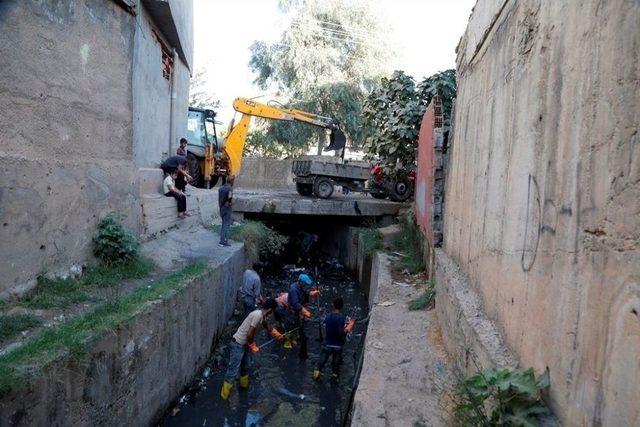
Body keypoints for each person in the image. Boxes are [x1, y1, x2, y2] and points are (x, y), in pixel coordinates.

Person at [220, 298, 284, 400]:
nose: (272, 313)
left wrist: (277, 334)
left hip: (244, 344)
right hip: (238, 343)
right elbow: (250, 333)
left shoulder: (261, 316)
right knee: (233, 369)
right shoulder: (258, 315)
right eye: (272, 311)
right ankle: (224, 395)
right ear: (270, 310)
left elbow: (267, 326)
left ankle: (244, 387)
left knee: (245, 366)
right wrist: (252, 345)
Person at [312, 297, 355, 380]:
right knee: (335, 366)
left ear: (333, 305)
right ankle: (334, 377)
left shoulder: (327, 316)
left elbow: (328, 328)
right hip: (337, 346)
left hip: (327, 344)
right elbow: (340, 333)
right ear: (342, 306)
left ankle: (316, 373)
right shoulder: (341, 318)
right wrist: (347, 328)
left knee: (321, 361)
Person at [285, 273, 319, 356]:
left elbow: (305, 293)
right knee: (290, 326)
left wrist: (311, 293)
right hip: (292, 311)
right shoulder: (293, 289)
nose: (306, 285)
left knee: (296, 325)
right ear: (300, 282)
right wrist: (305, 311)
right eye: (305, 283)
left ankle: (292, 338)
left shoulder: (300, 287)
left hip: (297, 312)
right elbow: (295, 304)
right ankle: (287, 342)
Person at [218, 175, 234, 247]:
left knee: (223, 224)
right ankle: (223, 241)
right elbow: (230, 197)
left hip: (221, 208)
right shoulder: (230, 188)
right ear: (232, 181)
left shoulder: (221, 188)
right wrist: (229, 202)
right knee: (226, 224)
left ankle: (222, 239)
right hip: (227, 208)